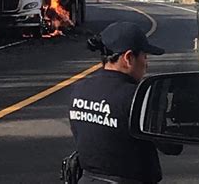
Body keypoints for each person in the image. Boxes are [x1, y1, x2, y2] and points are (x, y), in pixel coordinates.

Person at [68, 21, 181, 183]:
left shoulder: (79, 89)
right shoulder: (137, 97)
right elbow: (171, 147)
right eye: (144, 56)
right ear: (128, 58)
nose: (146, 64)